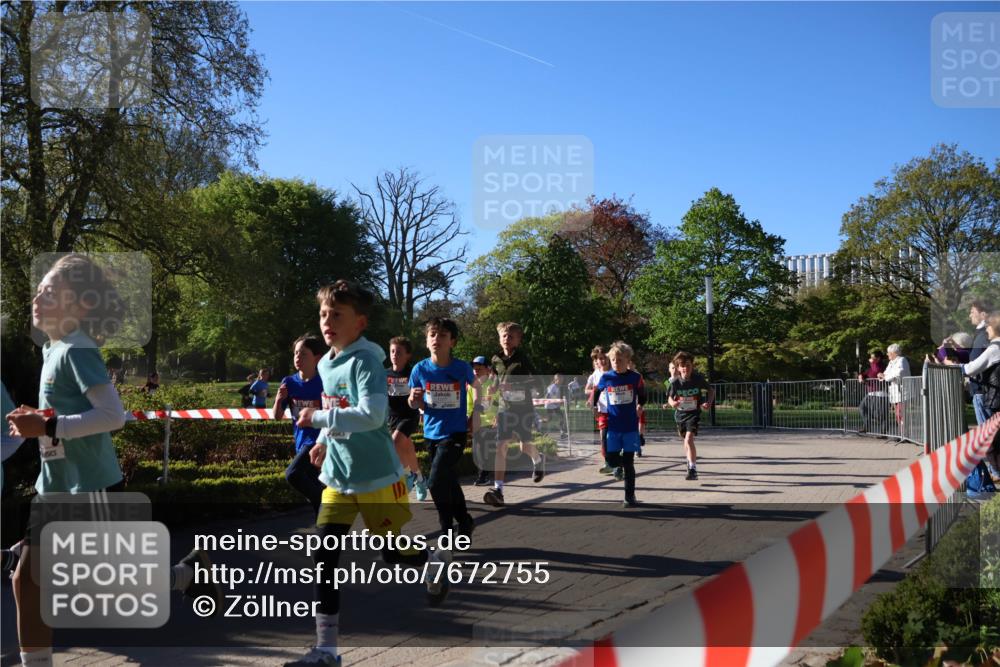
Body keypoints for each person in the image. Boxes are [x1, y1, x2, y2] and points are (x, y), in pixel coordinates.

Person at [6, 254, 219, 667]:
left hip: (91, 487)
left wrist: (48, 428)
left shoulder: (78, 349)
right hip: (57, 488)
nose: (37, 296)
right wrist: (42, 419)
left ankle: (186, 575)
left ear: (80, 305)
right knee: (33, 582)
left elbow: (112, 417)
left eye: (49, 291)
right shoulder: (53, 348)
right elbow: (67, 415)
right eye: (37, 289)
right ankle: (186, 575)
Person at [288, 280, 449, 667]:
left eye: (337, 315)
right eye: (324, 314)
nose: (327, 321)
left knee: (390, 551)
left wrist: (320, 418)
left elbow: (373, 415)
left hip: (377, 476)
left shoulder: (366, 362)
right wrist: (324, 438)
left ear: (359, 323)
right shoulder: (326, 363)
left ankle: (431, 559)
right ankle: (327, 650)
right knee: (324, 555)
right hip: (338, 477)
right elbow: (336, 408)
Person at [408, 318, 477, 539]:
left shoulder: (461, 367)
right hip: (431, 434)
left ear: (452, 342)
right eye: (432, 335)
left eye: (443, 335)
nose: (436, 339)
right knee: (447, 480)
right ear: (427, 341)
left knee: (436, 480)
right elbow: (414, 403)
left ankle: (446, 527)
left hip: (455, 433)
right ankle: (463, 521)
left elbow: (478, 389)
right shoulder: (419, 369)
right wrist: (413, 400)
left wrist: (475, 413)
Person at [483, 322, 545, 508]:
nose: (506, 339)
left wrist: (517, 386)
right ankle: (498, 490)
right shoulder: (495, 359)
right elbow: (495, 378)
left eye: (511, 336)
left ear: (518, 340)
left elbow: (538, 384)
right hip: (504, 409)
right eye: (503, 336)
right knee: (501, 445)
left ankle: (538, 458)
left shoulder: (523, 359)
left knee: (523, 446)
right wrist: (493, 390)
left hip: (523, 408)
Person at [275, 335, 327, 512]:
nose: (298, 357)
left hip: (318, 442)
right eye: (296, 353)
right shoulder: (288, 382)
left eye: (304, 354)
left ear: (317, 358)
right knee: (315, 495)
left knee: (292, 474)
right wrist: (278, 399)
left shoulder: (325, 383)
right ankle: (327, 534)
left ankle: (325, 503)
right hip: (300, 441)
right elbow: (277, 415)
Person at [594, 342, 646, 507]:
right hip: (614, 425)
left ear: (628, 360)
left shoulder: (635, 377)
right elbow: (596, 391)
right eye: (613, 359)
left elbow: (643, 395)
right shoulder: (607, 377)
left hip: (630, 426)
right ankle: (619, 466)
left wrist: (640, 405)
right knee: (611, 459)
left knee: (629, 463)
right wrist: (594, 406)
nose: (616, 362)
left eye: (619, 359)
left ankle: (629, 497)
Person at [664, 351, 715, 480]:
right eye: (682, 366)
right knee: (685, 441)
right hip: (680, 415)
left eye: (688, 365)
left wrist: (708, 403)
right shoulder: (674, 382)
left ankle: (692, 468)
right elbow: (669, 398)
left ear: (692, 366)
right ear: (678, 368)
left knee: (689, 439)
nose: (685, 368)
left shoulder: (698, 379)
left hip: (694, 414)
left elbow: (711, 390)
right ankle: (689, 460)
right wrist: (672, 403)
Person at [386, 336, 426, 500]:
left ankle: (408, 475)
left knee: (396, 442)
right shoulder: (385, 373)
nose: (395, 355)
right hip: (392, 418)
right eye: (392, 351)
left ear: (408, 355)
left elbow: (421, 394)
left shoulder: (412, 373)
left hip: (409, 415)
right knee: (407, 449)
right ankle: (421, 479)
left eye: (399, 352)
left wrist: (422, 410)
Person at [470, 356, 497, 487]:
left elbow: (500, 402)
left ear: (487, 369)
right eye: (474, 369)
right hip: (476, 423)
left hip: (491, 423)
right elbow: (469, 404)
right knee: (477, 450)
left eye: (479, 369)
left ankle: (484, 475)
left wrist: (497, 415)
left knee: (484, 448)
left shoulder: (493, 385)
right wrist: (467, 417)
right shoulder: (470, 386)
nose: (476, 371)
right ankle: (483, 474)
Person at [585, 346, 612, 475]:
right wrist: (594, 405)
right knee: (604, 437)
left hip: (615, 410)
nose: (602, 361)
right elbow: (594, 392)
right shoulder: (596, 374)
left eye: (604, 358)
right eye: (599, 358)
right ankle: (608, 462)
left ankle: (617, 461)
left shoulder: (615, 372)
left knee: (614, 437)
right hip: (602, 410)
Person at [969, 300, 994, 425]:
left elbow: (981, 361)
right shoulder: (981, 333)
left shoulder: (985, 334)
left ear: (983, 314)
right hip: (980, 389)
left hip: (982, 390)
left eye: (973, 312)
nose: (970, 315)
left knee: (987, 437)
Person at [879, 344, 910, 439]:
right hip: (895, 392)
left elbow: (899, 373)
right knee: (898, 414)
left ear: (894, 353)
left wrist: (885, 376)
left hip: (902, 391)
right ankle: (902, 434)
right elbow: (886, 372)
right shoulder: (891, 362)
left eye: (889, 353)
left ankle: (904, 435)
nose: (887, 354)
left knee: (900, 413)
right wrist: (882, 375)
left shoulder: (902, 360)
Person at [856, 351, 888, 434]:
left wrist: (873, 363)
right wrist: (860, 376)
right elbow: (867, 373)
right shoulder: (872, 366)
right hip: (870, 393)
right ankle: (867, 426)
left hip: (880, 393)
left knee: (880, 413)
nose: (871, 359)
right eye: (871, 357)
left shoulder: (881, 366)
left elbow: (876, 372)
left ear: (878, 358)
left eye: (873, 358)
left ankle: (883, 432)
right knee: (862, 408)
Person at [545, 374, 567, 438]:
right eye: (560, 380)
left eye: (562, 380)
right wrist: (551, 401)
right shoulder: (552, 387)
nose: (561, 381)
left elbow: (555, 397)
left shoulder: (557, 387)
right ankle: (539, 423)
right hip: (550, 406)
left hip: (555, 406)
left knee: (560, 417)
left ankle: (562, 433)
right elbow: (547, 396)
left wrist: (559, 402)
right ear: (556, 380)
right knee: (550, 419)